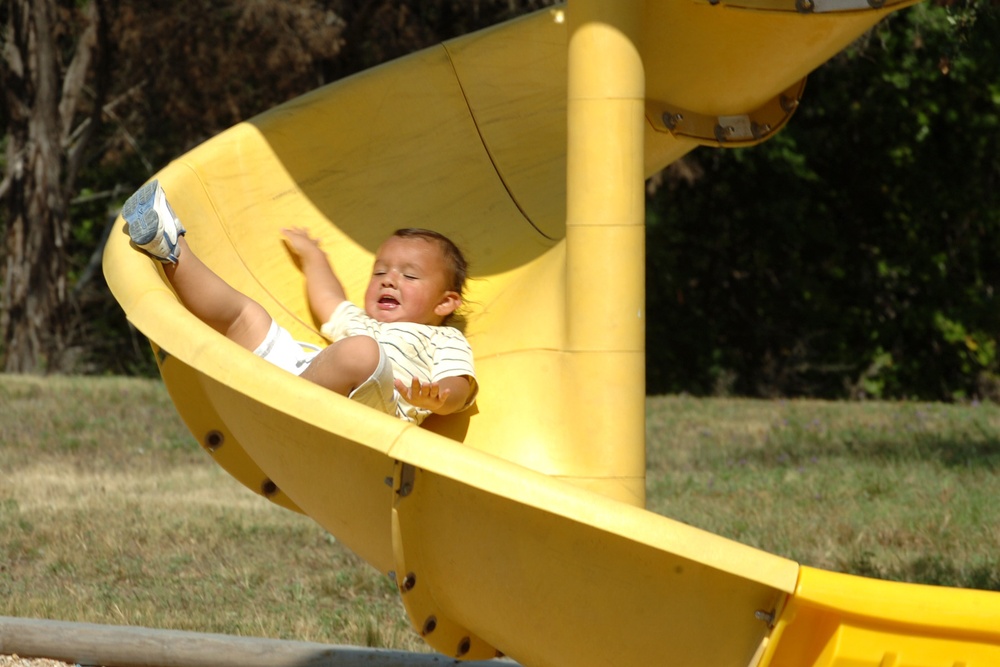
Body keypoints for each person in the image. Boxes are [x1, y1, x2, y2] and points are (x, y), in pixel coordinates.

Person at [122, 179, 477, 425]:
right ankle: (170, 249)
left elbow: (460, 386)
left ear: (446, 303)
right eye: (379, 271)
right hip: (306, 377)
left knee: (362, 352)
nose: (389, 279)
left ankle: (279, 403)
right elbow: (328, 298)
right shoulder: (361, 323)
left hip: (379, 411)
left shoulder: (443, 339)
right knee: (249, 317)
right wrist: (313, 256)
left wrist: (437, 397)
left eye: (409, 276)